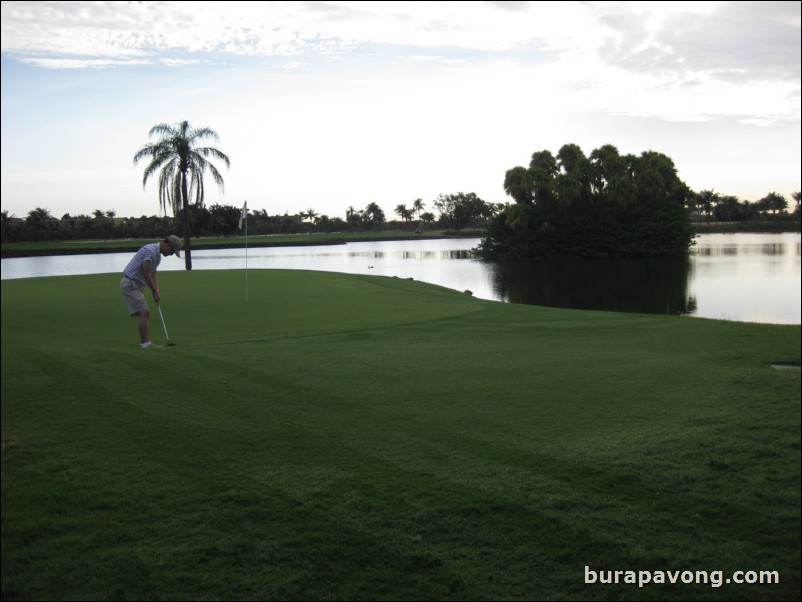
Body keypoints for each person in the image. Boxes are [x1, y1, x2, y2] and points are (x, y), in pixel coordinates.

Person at [120, 235, 181, 348]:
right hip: (130, 284)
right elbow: (146, 272)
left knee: (144, 312)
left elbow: (153, 273)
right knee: (145, 312)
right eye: (172, 251)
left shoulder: (157, 255)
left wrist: (156, 290)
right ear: (168, 245)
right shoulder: (151, 251)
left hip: (136, 285)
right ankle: (145, 343)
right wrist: (153, 291)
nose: (172, 254)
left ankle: (145, 343)